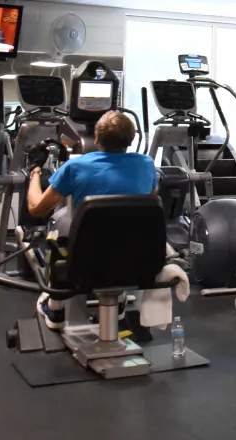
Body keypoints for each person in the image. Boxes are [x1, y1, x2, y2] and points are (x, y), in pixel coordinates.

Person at [28, 111, 160, 328]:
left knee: (56, 232)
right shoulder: (146, 164)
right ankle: (116, 302)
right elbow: (150, 199)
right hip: (139, 259)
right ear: (131, 138)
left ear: (97, 139)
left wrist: (35, 172)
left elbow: (36, 209)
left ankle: (55, 309)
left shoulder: (75, 167)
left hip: (86, 261)